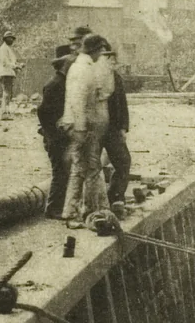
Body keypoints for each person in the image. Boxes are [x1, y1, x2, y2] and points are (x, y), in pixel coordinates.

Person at [59, 33, 110, 223]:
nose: (102, 54)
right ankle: (88, 210)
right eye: (101, 50)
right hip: (83, 127)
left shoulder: (80, 66)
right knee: (90, 168)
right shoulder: (85, 69)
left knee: (81, 168)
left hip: (80, 125)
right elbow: (78, 101)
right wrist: (81, 129)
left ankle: (74, 210)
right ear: (94, 50)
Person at [37, 45, 73, 219]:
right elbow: (43, 112)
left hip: (60, 135)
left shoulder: (64, 83)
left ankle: (58, 206)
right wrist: (53, 134)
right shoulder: (54, 84)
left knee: (64, 172)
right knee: (60, 173)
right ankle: (53, 209)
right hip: (55, 137)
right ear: (63, 64)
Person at [101, 42, 132, 205]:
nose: (112, 62)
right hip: (99, 127)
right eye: (108, 58)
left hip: (113, 129)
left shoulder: (116, 78)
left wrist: (122, 127)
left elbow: (122, 105)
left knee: (123, 162)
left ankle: (115, 196)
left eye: (113, 59)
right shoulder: (96, 77)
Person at [0, 30, 22, 114]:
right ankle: (4, 112)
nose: (11, 40)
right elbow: (5, 62)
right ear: (5, 39)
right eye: (9, 38)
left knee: (8, 93)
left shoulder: (8, 49)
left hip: (9, 73)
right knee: (6, 93)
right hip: (5, 73)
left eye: (12, 38)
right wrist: (15, 66)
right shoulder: (3, 49)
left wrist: (18, 64)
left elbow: (12, 61)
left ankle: (6, 112)